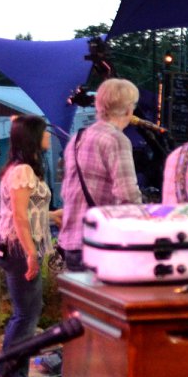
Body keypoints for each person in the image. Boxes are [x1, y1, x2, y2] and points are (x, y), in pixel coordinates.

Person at [0, 115, 57, 377]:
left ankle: (11, 375)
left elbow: (28, 211)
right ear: (32, 137)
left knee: (27, 312)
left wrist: (53, 216)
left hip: (18, 246)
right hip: (18, 248)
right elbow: (19, 216)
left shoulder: (22, 169)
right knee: (26, 315)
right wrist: (31, 252)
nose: (49, 136)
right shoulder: (23, 171)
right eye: (44, 132)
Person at [58, 77, 142, 272]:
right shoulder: (116, 139)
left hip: (72, 241)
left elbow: (67, 191)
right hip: (98, 244)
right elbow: (128, 195)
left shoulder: (77, 138)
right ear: (129, 109)